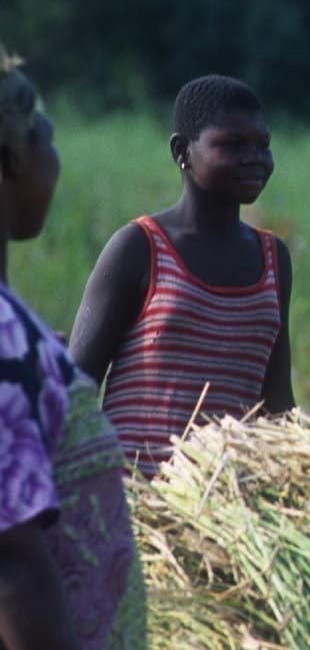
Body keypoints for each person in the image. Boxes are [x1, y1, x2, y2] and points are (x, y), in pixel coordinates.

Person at [69, 75, 294, 477]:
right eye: (232, 144)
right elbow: (74, 390)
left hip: (225, 507)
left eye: (262, 145)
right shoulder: (139, 248)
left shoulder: (272, 259)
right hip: (138, 504)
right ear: (182, 152)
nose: (254, 157)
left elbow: (276, 401)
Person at [0, 54, 146, 649]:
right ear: (11, 158)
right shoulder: (5, 344)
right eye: (47, 141)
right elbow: (13, 565)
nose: (54, 161)